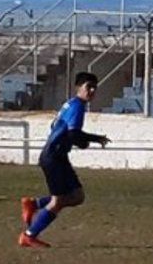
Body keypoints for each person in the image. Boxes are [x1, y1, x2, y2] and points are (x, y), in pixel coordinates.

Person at [19, 72, 111, 248]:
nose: (91, 90)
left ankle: (33, 204)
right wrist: (92, 139)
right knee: (58, 201)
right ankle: (29, 235)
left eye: (94, 88)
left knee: (77, 196)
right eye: (88, 86)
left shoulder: (69, 105)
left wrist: (78, 140)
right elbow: (72, 133)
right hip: (53, 157)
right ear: (79, 87)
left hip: (58, 156)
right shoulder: (77, 106)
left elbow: (55, 126)